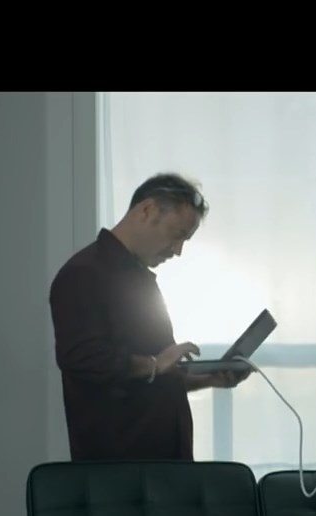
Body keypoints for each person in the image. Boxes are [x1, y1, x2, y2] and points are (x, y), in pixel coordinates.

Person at [49, 172, 249, 462]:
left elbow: (152, 377)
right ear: (147, 210)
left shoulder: (140, 278)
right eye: (177, 234)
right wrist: (155, 364)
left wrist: (210, 379)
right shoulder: (84, 273)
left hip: (162, 463)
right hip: (121, 468)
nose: (178, 251)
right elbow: (83, 359)